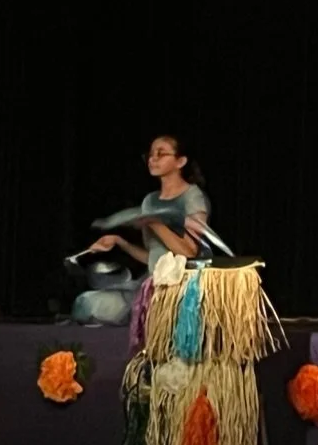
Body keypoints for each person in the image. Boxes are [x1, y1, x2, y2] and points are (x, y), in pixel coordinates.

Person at [75, 135, 214, 323]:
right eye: (150, 154)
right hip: (153, 280)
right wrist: (119, 242)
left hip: (181, 285)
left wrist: (154, 222)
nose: (152, 159)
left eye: (161, 154)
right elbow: (153, 258)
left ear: (180, 161)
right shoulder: (150, 201)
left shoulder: (193, 197)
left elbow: (189, 251)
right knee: (84, 303)